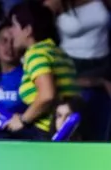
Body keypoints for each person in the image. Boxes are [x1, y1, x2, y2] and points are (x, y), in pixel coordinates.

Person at [5, 0, 80, 139]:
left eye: (13, 26)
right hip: (66, 132)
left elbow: (47, 95)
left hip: (47, 133)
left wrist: (23, 120)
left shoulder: (36, 54)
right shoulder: (57, 52)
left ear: (27, 30)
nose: (10, 31)